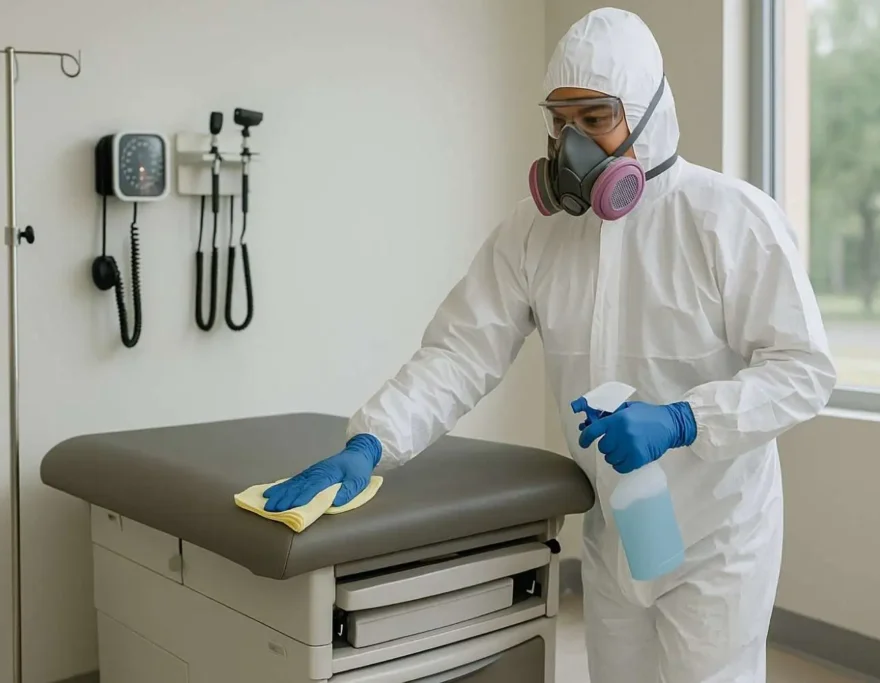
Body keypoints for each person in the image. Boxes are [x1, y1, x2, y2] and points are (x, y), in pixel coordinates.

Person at [264, 7, 835, 683]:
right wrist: (371, 441)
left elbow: (804, 370)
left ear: (650, 113)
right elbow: (460, 351)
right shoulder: (536, 232)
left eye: (596, 119)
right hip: (622, 523)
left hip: (720, 531)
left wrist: (685, 420)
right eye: (561, 122)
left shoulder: (728, 219)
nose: (574, 144)